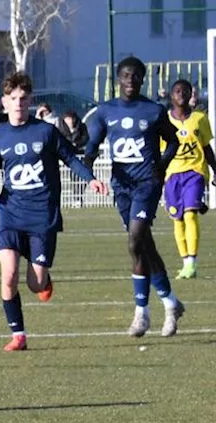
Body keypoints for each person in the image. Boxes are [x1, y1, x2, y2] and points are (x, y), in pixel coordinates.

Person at [0, 72, 107, 352]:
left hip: (42, 216)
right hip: (10, 212)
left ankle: (43, 277)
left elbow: (70, 158)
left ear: (30, 100)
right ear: (5, 102)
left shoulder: (45, 132)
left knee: (35, 284)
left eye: (23, 98)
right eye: (13, 99)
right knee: (8, 274)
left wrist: (90, 178)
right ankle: (18, 335)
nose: (19, 103)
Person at [86, 56, 185, 337]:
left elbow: (174, 141)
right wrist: (87, 169)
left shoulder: (153, 110)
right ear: (117, 79)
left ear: (143, 80)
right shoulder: (105, 111)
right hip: (122, 186)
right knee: (144, 245)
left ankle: (141, 314)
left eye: (136, 76)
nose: (131, 80)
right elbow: (93, 144)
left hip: (146, 185)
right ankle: (171, 302)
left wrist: (161, 167)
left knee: (135, 240)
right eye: (126, 76)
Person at [162, 78, 216, 279]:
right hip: (172, 175)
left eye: (186, 91)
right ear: (171, 95)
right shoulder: (164, 121)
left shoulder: (200, 119)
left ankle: (192, 262)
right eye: (177, 91)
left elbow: (206, 148)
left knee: (190, 214)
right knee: (177, 219)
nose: (182, 94)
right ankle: (185, 262)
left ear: (191, 94)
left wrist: (215, 170)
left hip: (195, 172)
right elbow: (161, 152)